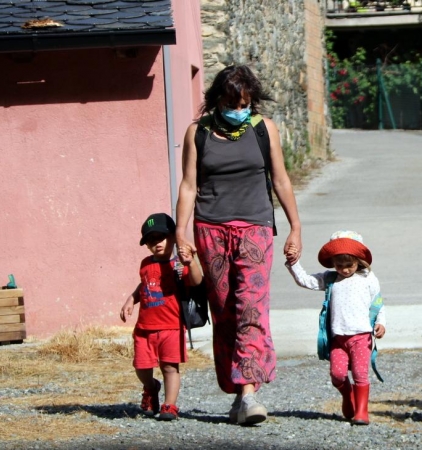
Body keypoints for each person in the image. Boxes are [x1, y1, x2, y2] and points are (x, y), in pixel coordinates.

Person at [174, 64, 303, 425]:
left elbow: (280, 179)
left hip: (255, 229)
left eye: (245, 102)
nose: (239, 109)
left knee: (251, 308)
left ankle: (248, 393)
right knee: (225, 312)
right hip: (210, 230)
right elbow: (188, 185)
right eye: (232, 102)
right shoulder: (197, 132)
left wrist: (295, 227)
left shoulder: (264, 129)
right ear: (217, 99)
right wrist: (181, 233)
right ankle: (236, 390)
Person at [285, 231, 386, 426]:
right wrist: (293, 263)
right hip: (338, 338)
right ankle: (348, 396)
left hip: (361, 337)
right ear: (332, 263)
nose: (345, 270)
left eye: (350, 265)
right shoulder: (331, 279)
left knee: (360, 374)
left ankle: (361, 412)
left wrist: (381, 322)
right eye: (340, 266)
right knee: (337, 375)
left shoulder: (368, 279)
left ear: (359, 261)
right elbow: (305, 280)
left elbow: (378, 303)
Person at [120, 213, 203, 421]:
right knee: (141, 365)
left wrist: (191, 262)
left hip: (171, 327)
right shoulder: (145, 263)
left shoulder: (178, 266)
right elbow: (145, 285)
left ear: (173, 238)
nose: (156, 243)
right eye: (150, 240)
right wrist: (131, 299)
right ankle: (150, 387)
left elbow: (196, 280)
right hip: (145, 328)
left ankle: (170, 405)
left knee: (169, 367)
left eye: (161, 237)